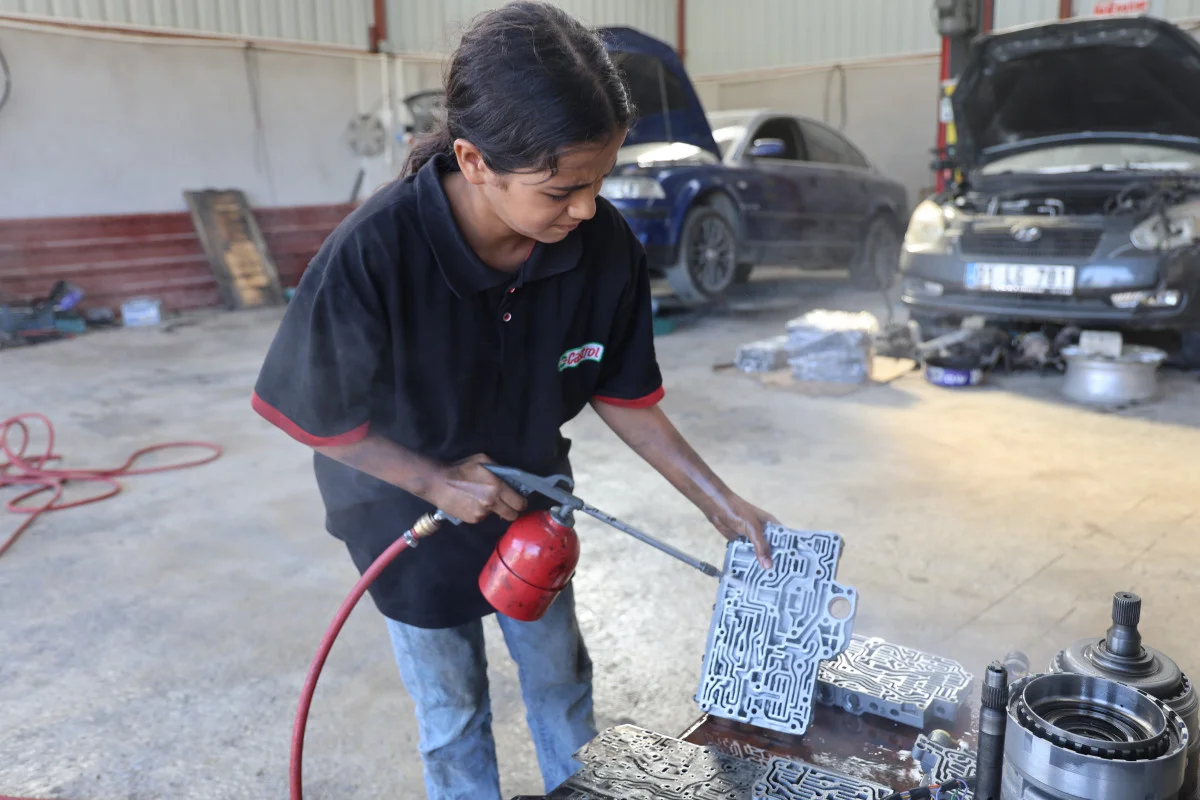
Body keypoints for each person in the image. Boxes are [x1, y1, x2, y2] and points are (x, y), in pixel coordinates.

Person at [250, 2, 776, 798]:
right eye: (563, 188)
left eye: (599, 181)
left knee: (561, 683)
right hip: (403, 517)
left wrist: (720, 502)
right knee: (454, 714)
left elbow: (622, 391)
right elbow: (308, 413)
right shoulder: (374, 253)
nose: (588, 208)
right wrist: (434, 483)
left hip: (531, 505)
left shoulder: (599, 250)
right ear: (475, 160)